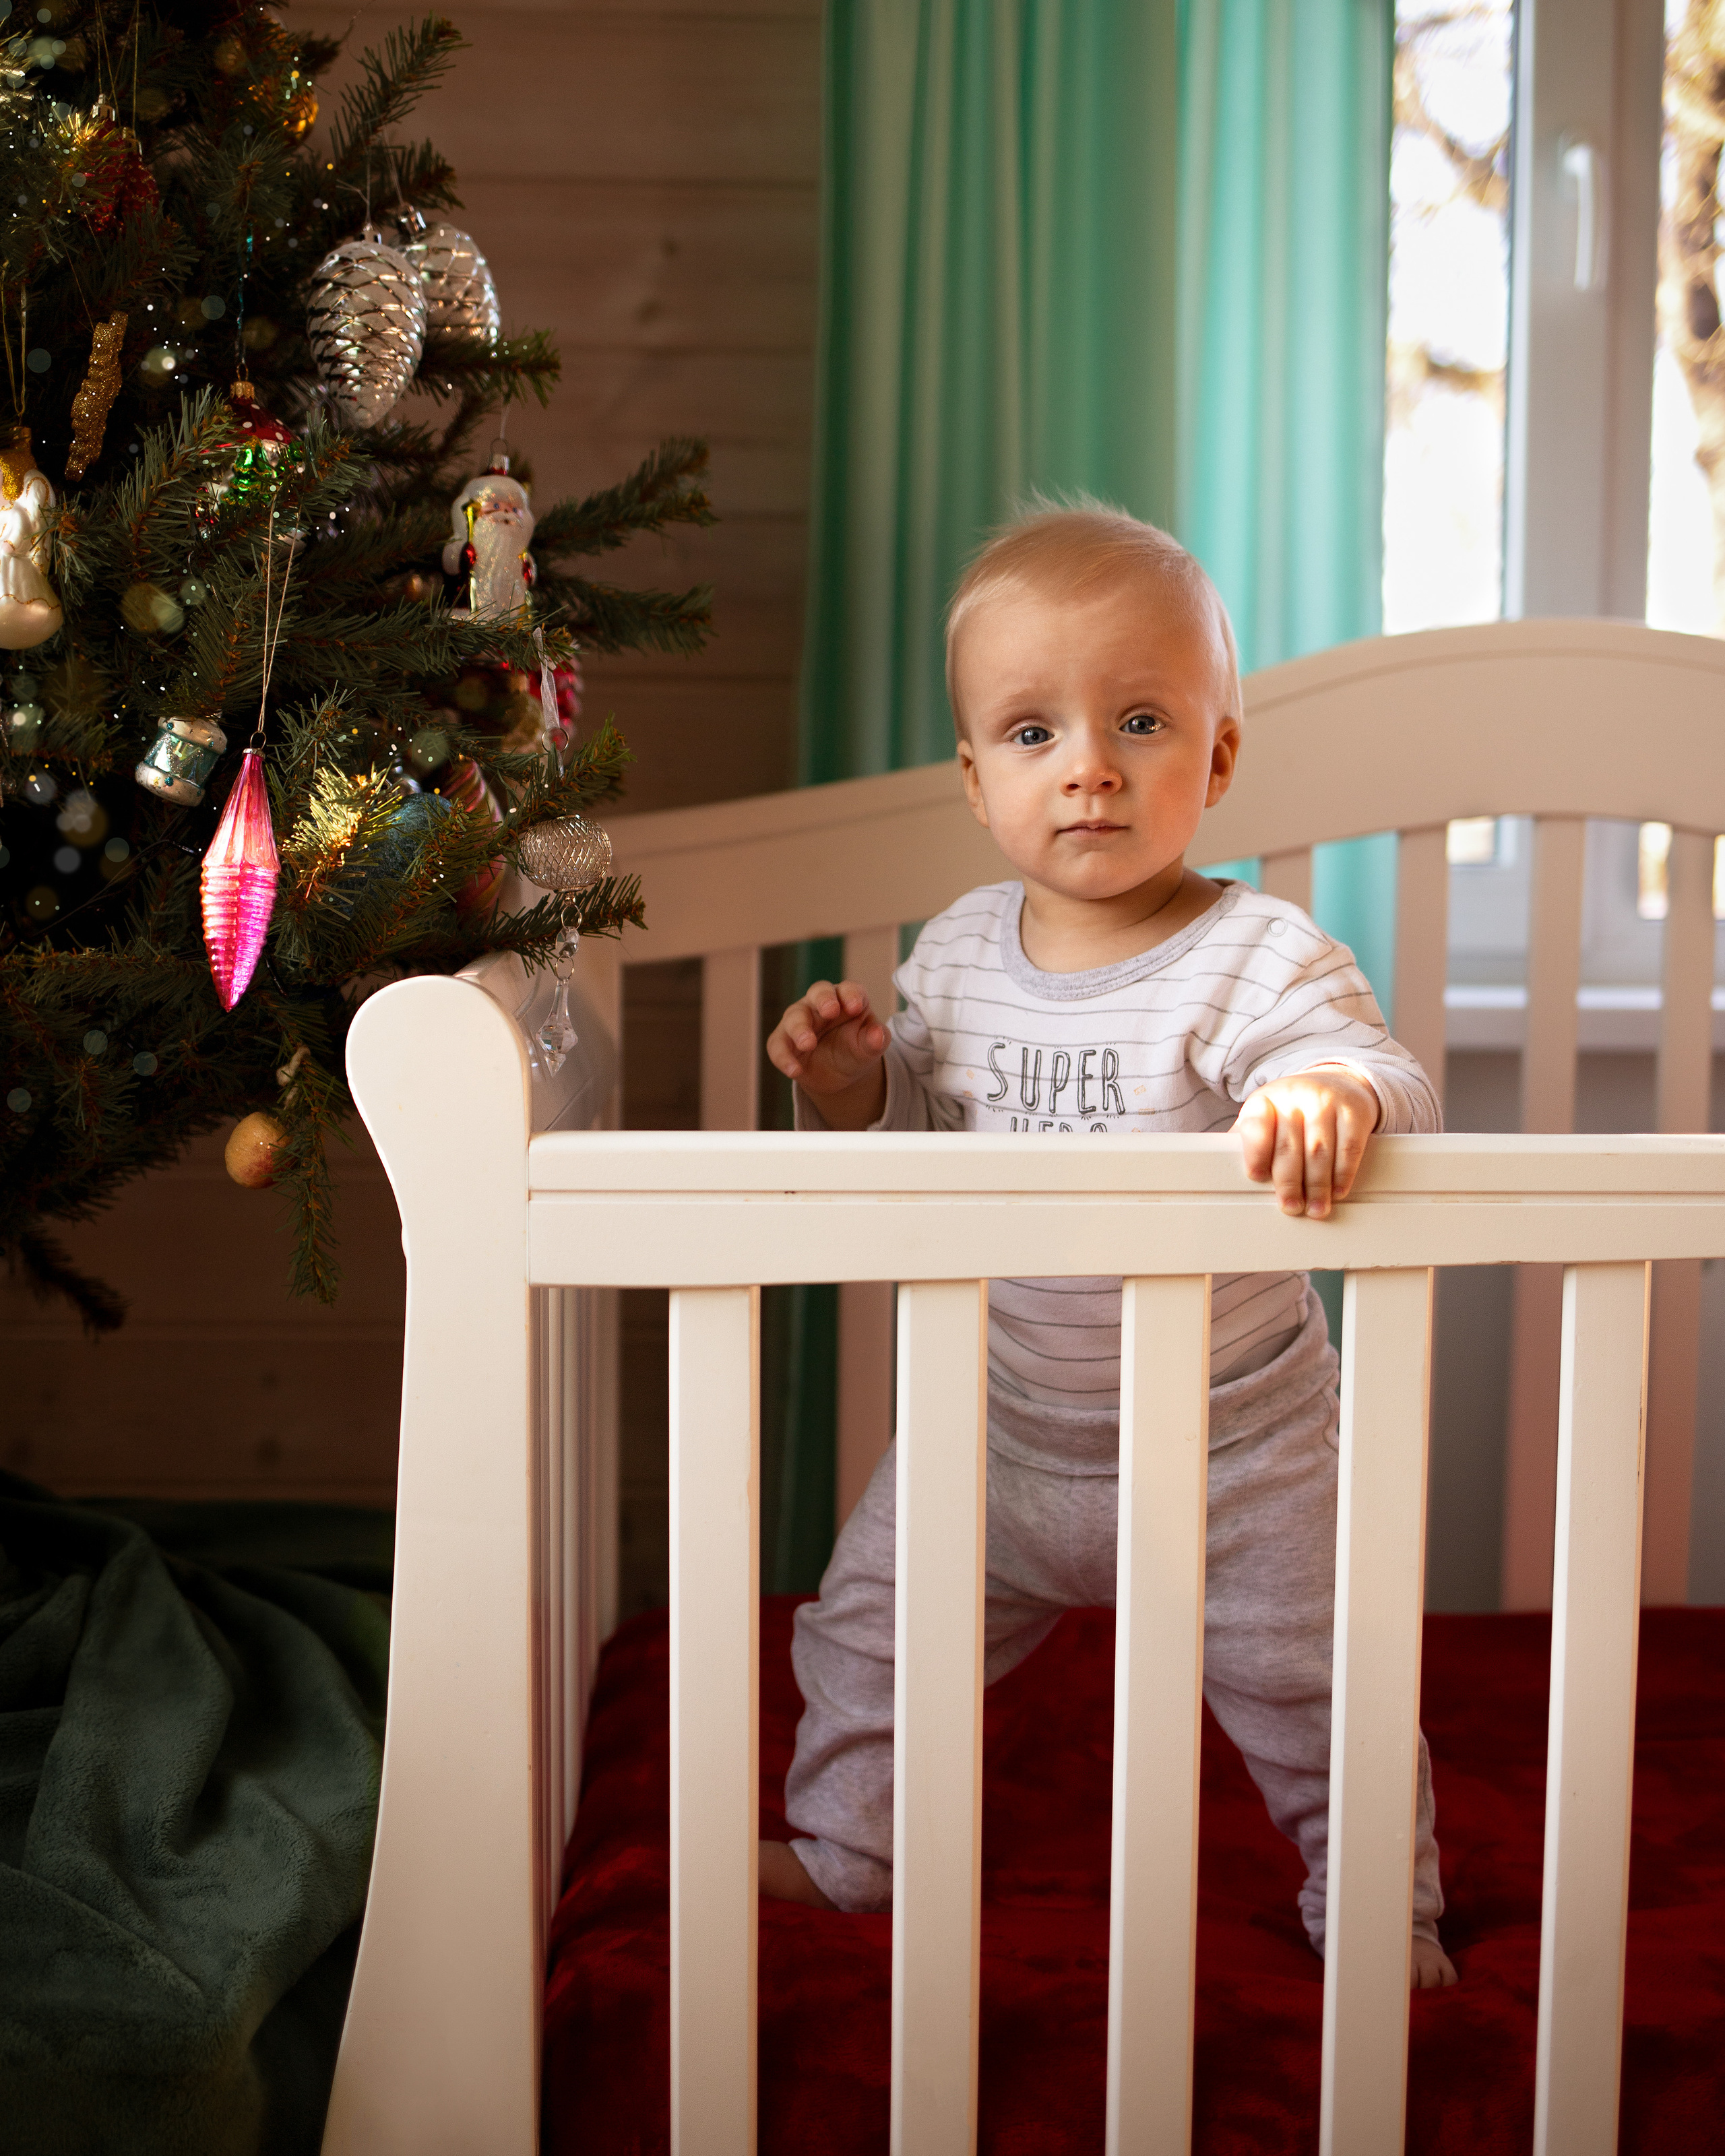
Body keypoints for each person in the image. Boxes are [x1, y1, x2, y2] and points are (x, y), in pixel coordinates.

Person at [759, 502, 1457, 1990]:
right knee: (867, 1638)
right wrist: (850, 1085)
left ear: (1213, 759)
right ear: (971, 776)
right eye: (1030, 732)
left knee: (1320, 1685)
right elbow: (910, 1156)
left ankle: (1376, 1915)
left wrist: (1324, 1091)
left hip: (1235, 1452)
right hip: (995, 1430)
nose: (1086, 764)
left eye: (1139, 720)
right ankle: (848, 1847)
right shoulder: (949, 954)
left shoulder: (1253, 953)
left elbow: (1375, 1067)